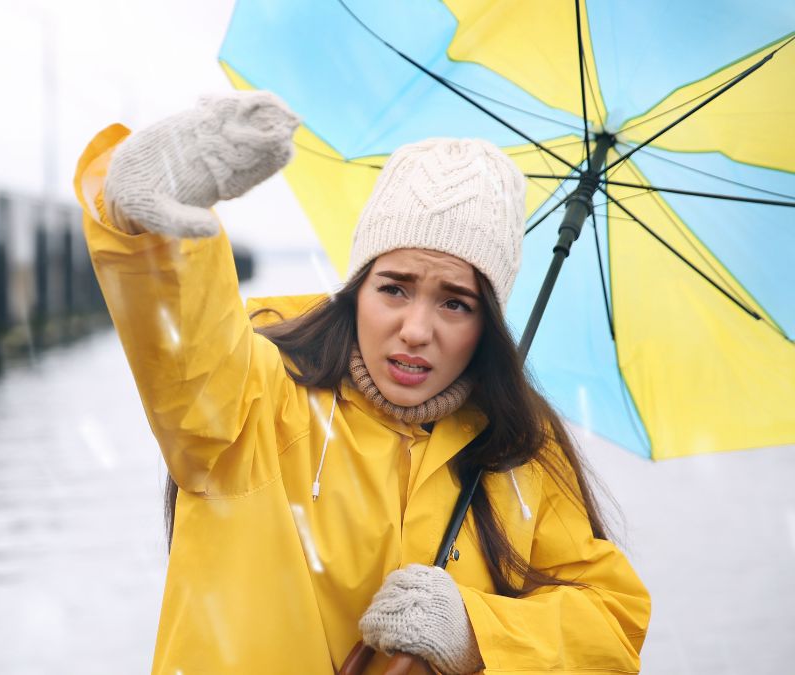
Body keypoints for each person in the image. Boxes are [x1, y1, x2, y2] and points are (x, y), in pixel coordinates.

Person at [72, 90, 650, 674]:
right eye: (394, 288)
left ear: (488, 324)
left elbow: (610, 625)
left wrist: (476, 632)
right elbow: (182, 340)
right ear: (357, 290)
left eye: (455, 303)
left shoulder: (518, 450)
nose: (416, 330)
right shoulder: (254, 398)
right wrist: (142, 217)